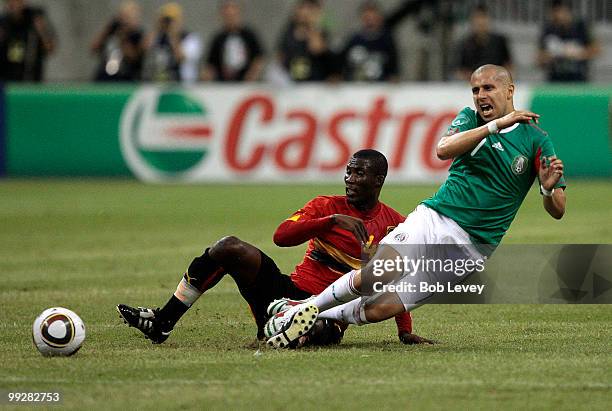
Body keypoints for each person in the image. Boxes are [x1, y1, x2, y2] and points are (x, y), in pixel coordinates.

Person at [265, 64, 566, 349]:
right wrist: (496, 126)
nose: (480, 96)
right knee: (378, 274)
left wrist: (547, 188)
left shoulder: (536, 139)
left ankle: (300, 311)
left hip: (473, 249)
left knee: (380, 309)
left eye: (488, 88)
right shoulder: (470, 119)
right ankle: (306, 309)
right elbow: (442, 149)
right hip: (435, 219)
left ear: (509, 90)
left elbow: (558, 209)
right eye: (475, 90)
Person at [117, 150, 433, 346]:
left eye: (359, 173)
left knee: (318, 327)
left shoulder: (395, 224)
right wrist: (328, 221)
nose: (349, 178)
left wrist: (404, 330)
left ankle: (283, 326)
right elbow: (281, 236)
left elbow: (398, 279)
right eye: (348, 170)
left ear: (378, 180)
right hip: (288, 291)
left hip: (329, 311)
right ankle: (163, 322)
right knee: (229, 247)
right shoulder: (326, 206)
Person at [201, 0, 265, 82]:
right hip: (223, 83)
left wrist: (252, 75)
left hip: (246, 81)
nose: (230, 18)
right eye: (227, 15)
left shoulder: (249, 35)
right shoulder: (218, 38)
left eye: (232, 15)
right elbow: (211, 64)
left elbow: (259, 57)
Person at [537, 0, 600, 82]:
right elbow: (539, 58)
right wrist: (554, 54)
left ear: (567, 10)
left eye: (559, 12)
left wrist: (578, 53)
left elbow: (596, 49)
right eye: (554, 13)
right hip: (555, 80)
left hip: (579, 79)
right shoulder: (549, 29)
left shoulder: (581, 26)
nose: (557, 17)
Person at [339, 1, 399, 82]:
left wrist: (394, 76)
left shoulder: (386, 40)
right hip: (355, 87)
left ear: (379, 17)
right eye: (367, 17)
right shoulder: (354, 39)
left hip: (379, 87)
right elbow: (343, 61)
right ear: (362, 18)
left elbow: (393, 63)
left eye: (373, 17)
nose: (370, 21)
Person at [276, 0, 335, 82]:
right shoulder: (289, 31)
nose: (304, 12)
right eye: (302, 8)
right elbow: (280, 55)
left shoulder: (319, 31)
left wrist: (313, 25)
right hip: (292, 81)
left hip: (315, 81)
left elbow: (316, 49)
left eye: (309, 9)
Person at [143, 2, 201, 83]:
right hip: (158, 81)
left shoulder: (190, 38)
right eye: (165, 20)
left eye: (171, 20)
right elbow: (144, 50)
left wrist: (173, 34)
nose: (168, 24)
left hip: (182, 84)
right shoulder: (158, 36)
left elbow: (181, 58)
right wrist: (157, 28)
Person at [0, 0, 55, 81]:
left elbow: (50, 48)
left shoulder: (34, 19)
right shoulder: (3, 22)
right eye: (10, 1)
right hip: (7, 81)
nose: (13, 4)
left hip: (31, 79)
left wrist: (42, 31)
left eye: (17, 1)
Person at [90, 0, 145, 82]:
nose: (124, 21)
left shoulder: (137, 35)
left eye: (128, 17)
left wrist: (123, 37)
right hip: (104, 78)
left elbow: (134, 57)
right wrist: (108, 30)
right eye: (123, 16)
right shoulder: (112, 31)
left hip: (126, 79)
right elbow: (94, 48)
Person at [454, 5, 512, 81]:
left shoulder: (499, 41)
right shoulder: (465, 44)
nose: (480, 22)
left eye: (483, 17)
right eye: (477, 18)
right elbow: (459, 70)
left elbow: (509, 66)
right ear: (472, 20)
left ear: (488, 19)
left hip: (496, 84)